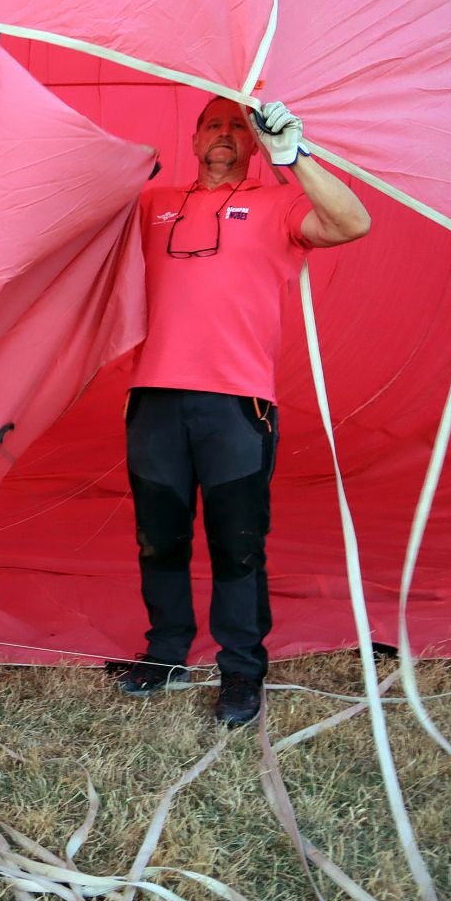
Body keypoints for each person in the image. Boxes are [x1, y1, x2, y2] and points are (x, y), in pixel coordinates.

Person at [115, 98, 370, 726]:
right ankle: (166, 652)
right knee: (159, 539)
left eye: (239, 126)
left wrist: (295, 156)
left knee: (238, 545)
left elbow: (352, 222)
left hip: (237, 404)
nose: (226, 134)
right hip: (154, 399)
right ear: (195, 137)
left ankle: (240, 673)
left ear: (254, 144)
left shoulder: (277, 201)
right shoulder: (153, 203)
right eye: (214, 125)